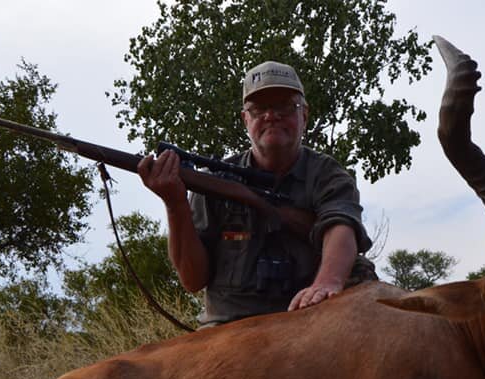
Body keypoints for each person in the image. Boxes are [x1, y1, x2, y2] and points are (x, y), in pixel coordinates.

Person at [138, 60, 374, 326]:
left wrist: (326, 284)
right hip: (229, 328)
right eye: (259, 108)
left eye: (285, 107)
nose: (271, 116)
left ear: (304, 115)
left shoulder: (327, 174)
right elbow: (193, 281)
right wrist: (175, 204)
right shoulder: (213, 183)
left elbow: (340, 226)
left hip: (311, 319)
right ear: (245, 118)